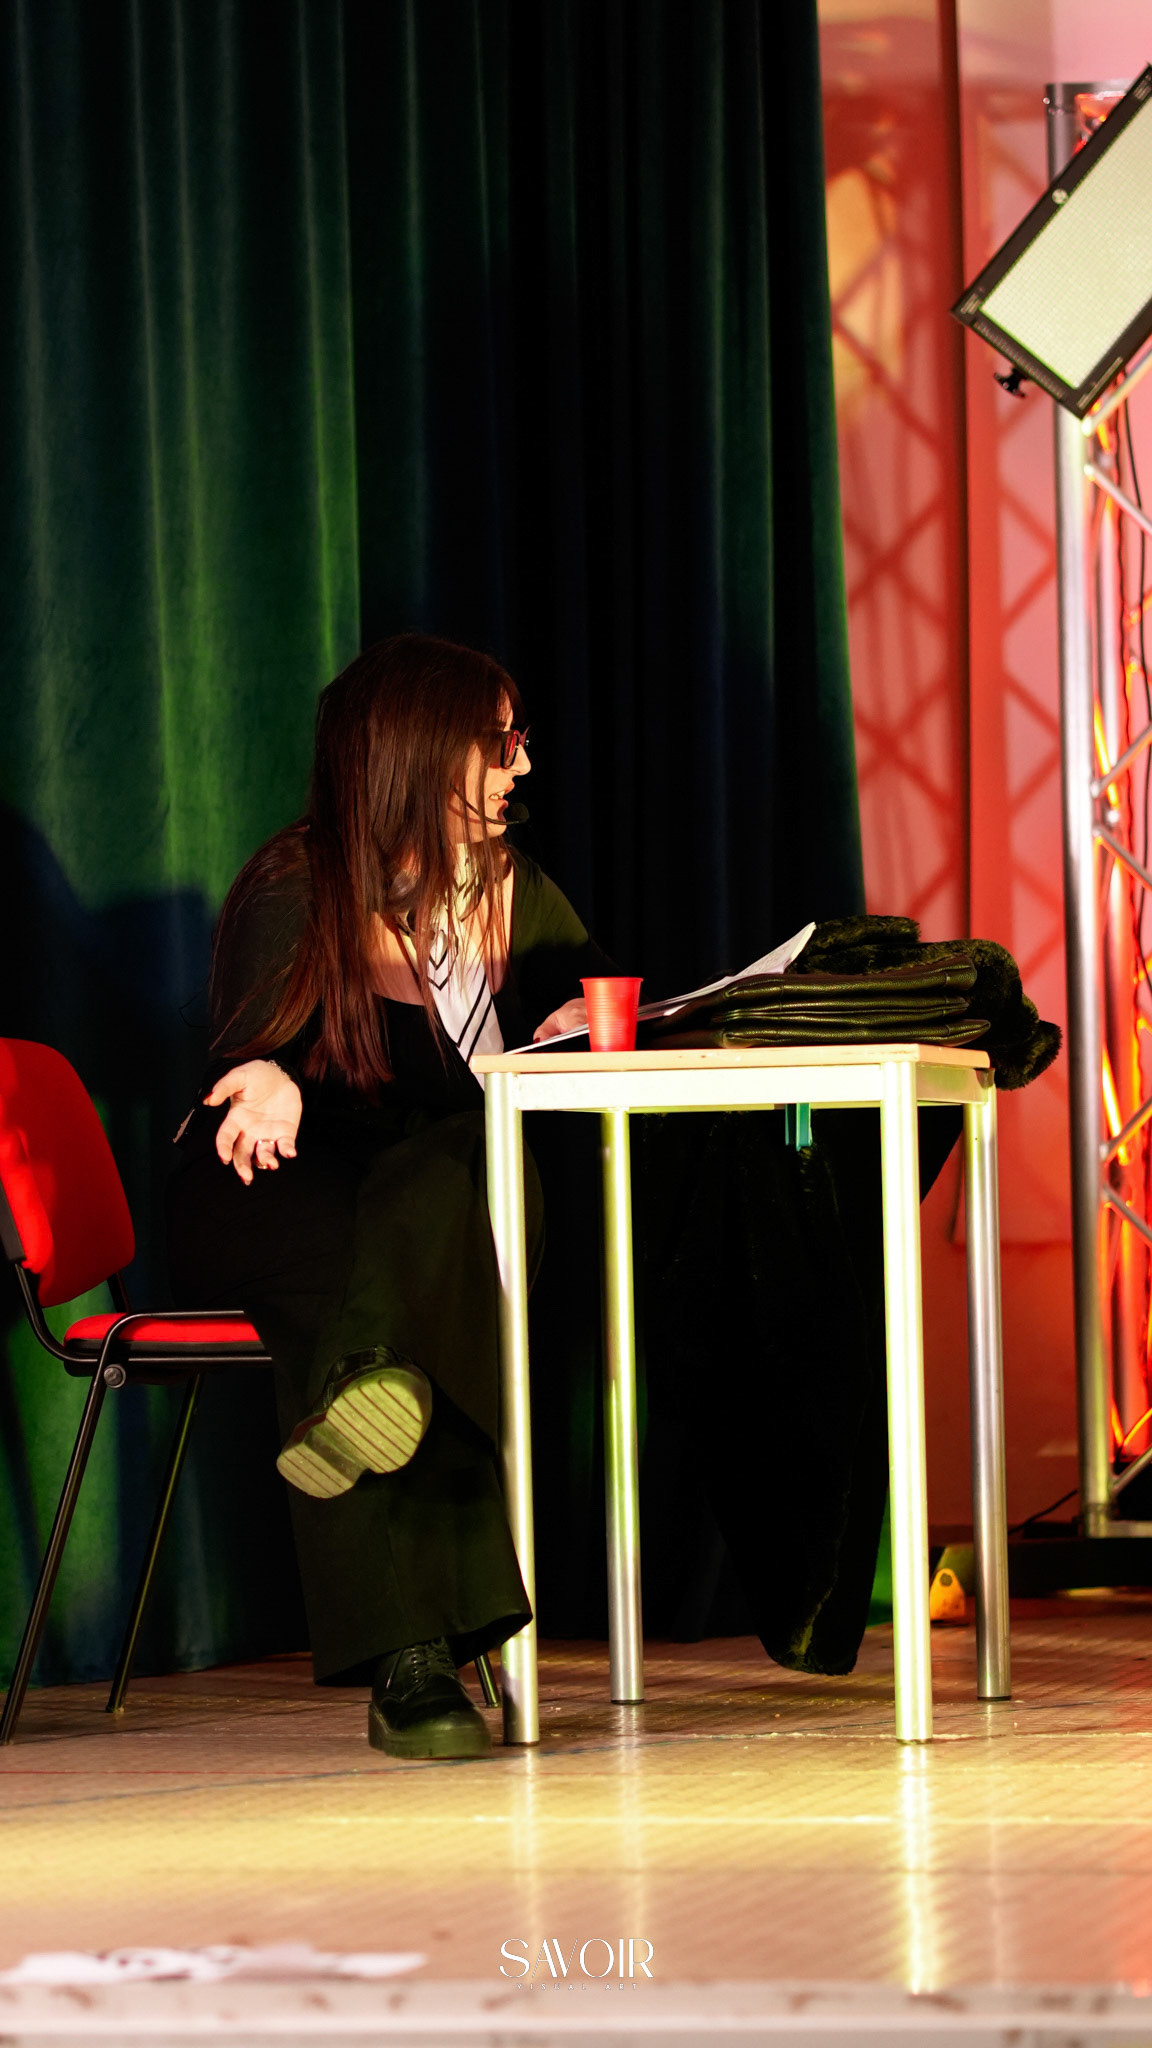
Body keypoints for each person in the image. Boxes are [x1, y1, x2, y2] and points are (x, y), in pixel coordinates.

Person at [166, 634, 615, 1760]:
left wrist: (577, 1031)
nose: (522, 763)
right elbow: (242, 1067)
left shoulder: (516, 892)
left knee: (444, 1192)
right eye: (498, 740)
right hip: (285, 1182)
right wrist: (269, 1069)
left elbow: (608, 1010)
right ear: (418, 748)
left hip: (440, 1198)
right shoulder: (299, 881)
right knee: (372, 1276)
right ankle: (418, 1659)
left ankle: (364, 1386)